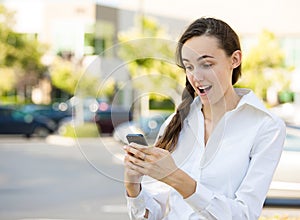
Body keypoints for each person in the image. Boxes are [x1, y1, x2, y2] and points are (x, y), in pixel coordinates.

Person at [123, 17, 286, 220]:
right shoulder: (176, 122)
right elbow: (151, 214)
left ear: (234, 60)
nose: (196, 77)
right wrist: (133, 186)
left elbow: (244, 214)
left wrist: (175, 177)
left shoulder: (266, 126)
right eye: (189, 67)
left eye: (206, 64)